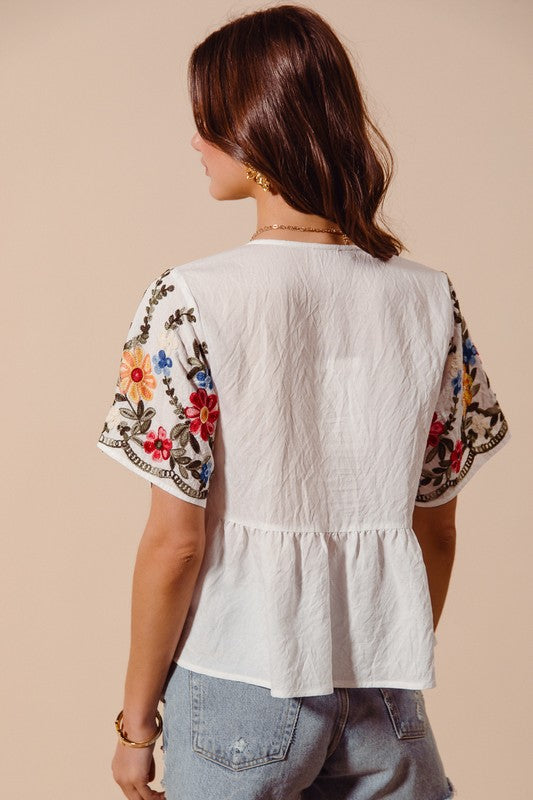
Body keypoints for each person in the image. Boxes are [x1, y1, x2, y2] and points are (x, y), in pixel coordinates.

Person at [96, 5, 511, 799]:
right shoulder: (428, 299)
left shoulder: (189, 300)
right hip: (385, 689)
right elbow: (437, 526)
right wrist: (381, 647)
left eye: (207, 121)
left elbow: (175, 546)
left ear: (255, 131)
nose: (195, 142)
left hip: (235, 677)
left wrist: (135, 726)